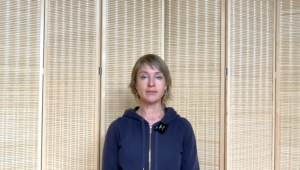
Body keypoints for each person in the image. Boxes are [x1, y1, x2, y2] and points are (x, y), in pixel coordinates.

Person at [102, 54, 200, 170]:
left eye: (158, 77)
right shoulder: (118, 128)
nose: (151, 83)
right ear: (135, 85)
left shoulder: (183, 128)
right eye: (144, 77)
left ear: (166, 86)